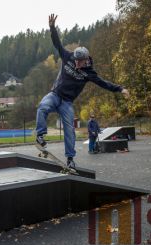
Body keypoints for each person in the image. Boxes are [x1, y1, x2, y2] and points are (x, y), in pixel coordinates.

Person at [35, 14, 129, 170]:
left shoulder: (89, 73)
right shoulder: (68, 57)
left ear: (86, 59)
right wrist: (52, 28)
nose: (77, 64)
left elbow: (104, 83)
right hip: (55, 94)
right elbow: (57, 44)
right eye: (76, 61)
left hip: (67, 103)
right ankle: (40, 135)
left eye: (81, 62)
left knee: (70, 130)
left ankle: (70, 159)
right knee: (43, 106)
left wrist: (120, 88)